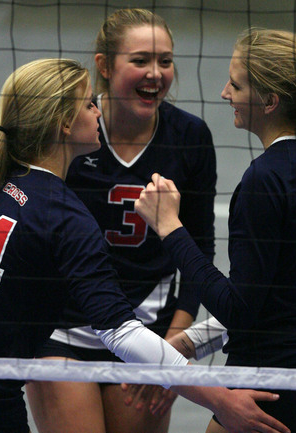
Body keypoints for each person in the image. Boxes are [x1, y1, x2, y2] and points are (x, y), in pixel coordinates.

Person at [0, 57, 290, 433]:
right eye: (88, 103)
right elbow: (123, 333)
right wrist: (219, 397)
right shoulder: (64, 215)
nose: (97, 112)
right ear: (64, 124)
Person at [135, 28, 296, 433]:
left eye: (236, 84)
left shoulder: (267, 178)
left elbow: (239, 309)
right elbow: (280, 296)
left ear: (270, 101)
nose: (224, 93)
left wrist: (170, 228)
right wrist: (192, 340)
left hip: (274, 389)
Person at [25, 8, 217, 433]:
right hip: (64, 329)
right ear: (104, 66)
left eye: (165, 61)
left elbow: (200, 248)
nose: (156, 73)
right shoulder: (70, 132)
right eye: (141, 60)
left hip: (148, 332)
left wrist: (175, 346)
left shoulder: (190, 137)